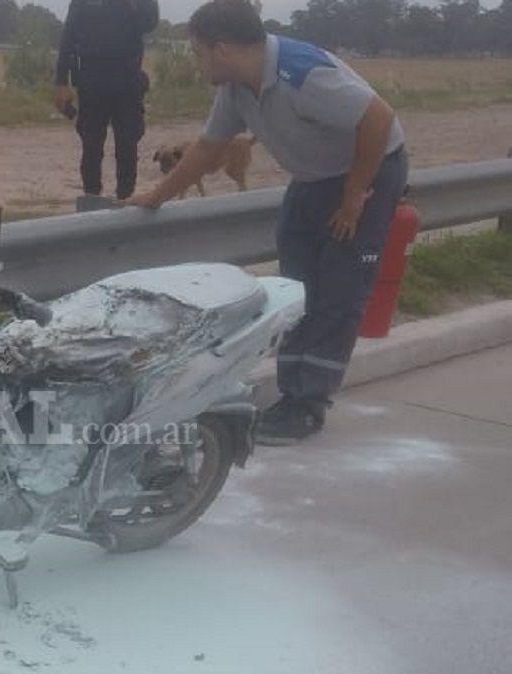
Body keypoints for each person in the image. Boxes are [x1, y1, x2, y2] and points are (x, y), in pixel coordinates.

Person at [127, 0, 408, 445]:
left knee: (338, 288)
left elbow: (378, 118)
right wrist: (156, 196)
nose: (197, 64)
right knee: (297, 286)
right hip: (314, 179)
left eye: (198, 53)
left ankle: (307, 404)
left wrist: (356, 193)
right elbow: (207, 148)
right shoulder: (237, 87)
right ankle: (291, 388)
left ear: (221, 49)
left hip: (366, 173)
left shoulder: (303, 73)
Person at [55, 0, 160, 201]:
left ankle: (126, 200)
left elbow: (150, 23)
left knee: (128, 145)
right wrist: (61, 82)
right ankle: (92, 200)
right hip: (91, 78)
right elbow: (68, 36)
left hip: (127, 77)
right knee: (91, 146)